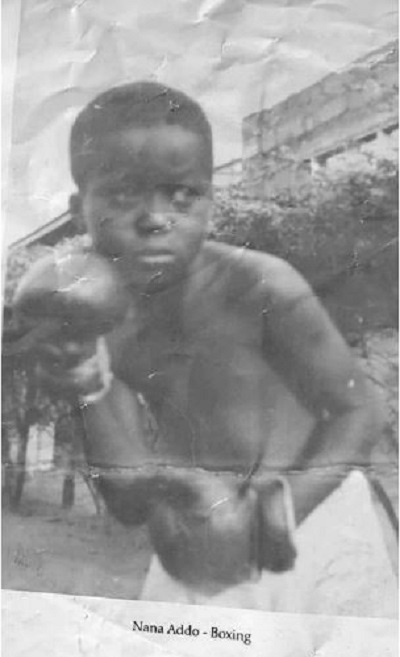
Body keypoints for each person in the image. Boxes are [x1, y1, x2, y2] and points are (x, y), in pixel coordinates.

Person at [33, 81, 385, 610]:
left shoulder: (262, 285)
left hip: (317, 515)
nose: (156, 218)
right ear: (79, 208)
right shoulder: (97, 314)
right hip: (196, 535)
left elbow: (361, 409)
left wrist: (277, 514)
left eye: (183, 196)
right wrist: (88, 382)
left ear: (209, 201)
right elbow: (128, 497)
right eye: (123, 195)